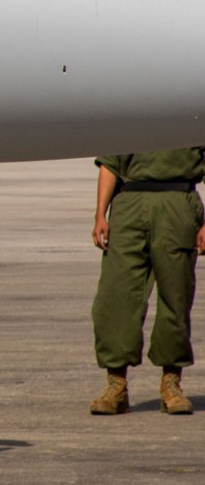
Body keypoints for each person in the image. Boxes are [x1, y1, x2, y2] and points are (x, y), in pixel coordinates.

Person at [88, 148, 205, 416]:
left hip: (178, 201)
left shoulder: (192, 112)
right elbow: (110, 164)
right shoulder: (131, 112)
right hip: (129, 201)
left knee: (175, 297)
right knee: (114, 296)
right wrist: (100, 215)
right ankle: (115, 385)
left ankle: (171, 383)